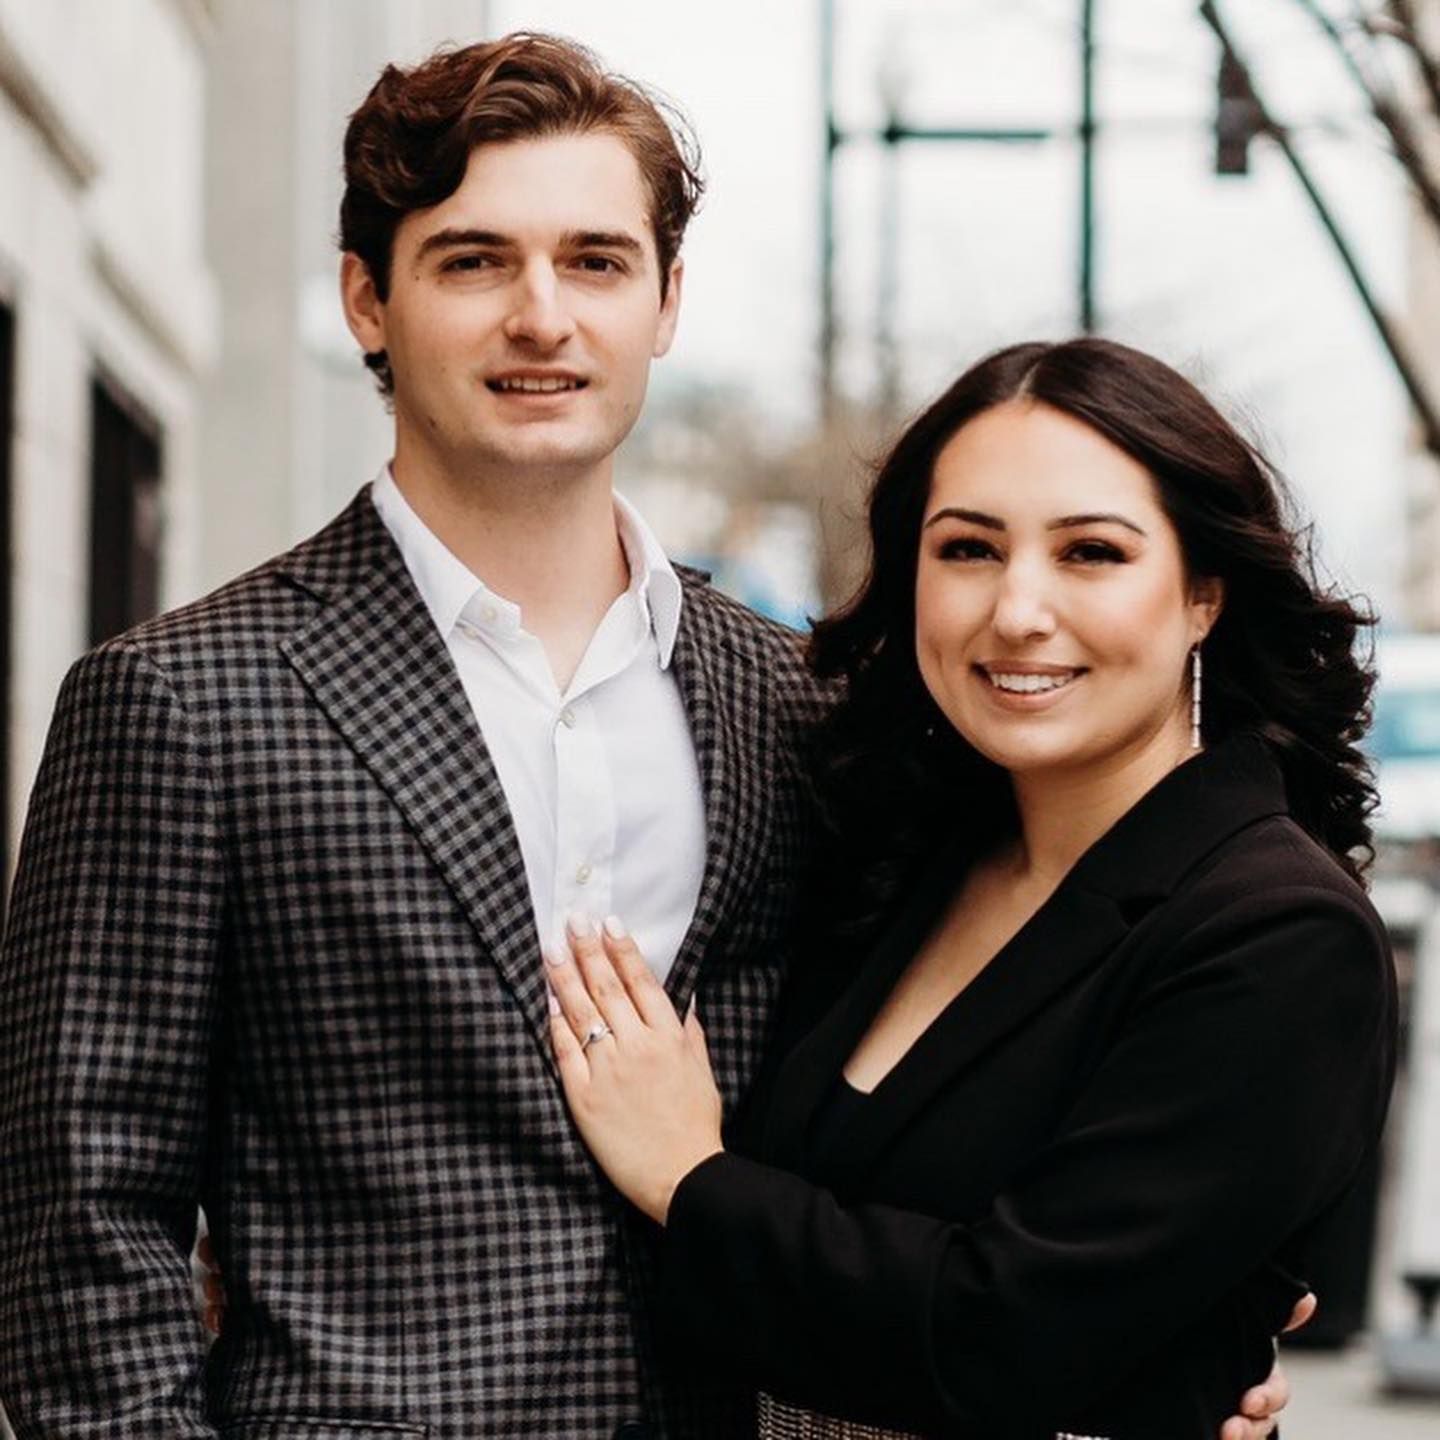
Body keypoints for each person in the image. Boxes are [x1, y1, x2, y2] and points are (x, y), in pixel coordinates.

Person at [0, 30, 1292, 1440]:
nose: (542, 316)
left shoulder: (804, 706)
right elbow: (80, 1228)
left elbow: (983, 1070)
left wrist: (1181, 1326)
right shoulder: (181, 704)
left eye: (597, 262)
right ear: (369, 298)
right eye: (475, 261)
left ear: (666, 300)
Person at [547, 338, 1398, 1439]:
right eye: (968, 549)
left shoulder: (1279, 933)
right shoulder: (904, 856)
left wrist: (686, 1177)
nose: (1017, 610)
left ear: (1203, 595)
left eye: (1091, 552)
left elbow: (999, 1336)